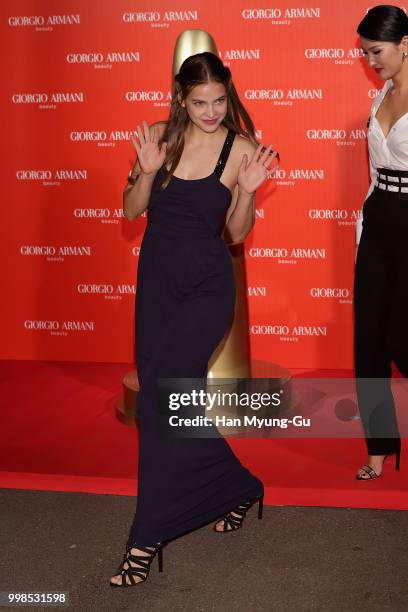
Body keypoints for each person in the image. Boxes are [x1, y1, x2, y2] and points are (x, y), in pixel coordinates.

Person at [110, 51, 278, 587]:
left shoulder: (241, 150)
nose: (211, 112)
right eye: (200, 102)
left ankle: (146, 535)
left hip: (207, 287)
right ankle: (238, 485)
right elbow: (131, 210)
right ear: (181, 98)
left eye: (220, 101)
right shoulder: (162, 136)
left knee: (160, 397)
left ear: (229, 95)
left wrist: (247, 192)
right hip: (157, 285)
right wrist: (147, 172)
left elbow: (234, 233)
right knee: (172, 402)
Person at [354, 5, 408, 480]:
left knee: (402, 339)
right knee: (369, 341)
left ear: (405, 43)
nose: (372, 61)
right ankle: (379, 447)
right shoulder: (379, 99)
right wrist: (362, 230)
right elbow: (374, 173)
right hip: (378, 221)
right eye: (366, 53)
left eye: (377, 51)